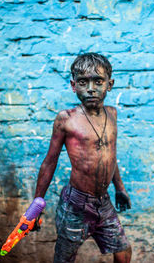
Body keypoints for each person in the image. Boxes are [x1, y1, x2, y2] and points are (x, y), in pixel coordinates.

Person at [34, 52, 132, 263]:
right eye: (83, 82)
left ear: (109, 84)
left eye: (98, 81)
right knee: (65, 258)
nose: (90, 88)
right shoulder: (66, 119)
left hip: (103, 202)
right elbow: (50, 162)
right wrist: (36, 207)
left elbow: (110, 156)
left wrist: (120, 188)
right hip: (76, 204)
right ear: (73, 85)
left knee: (124, 253)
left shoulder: (112, 114)